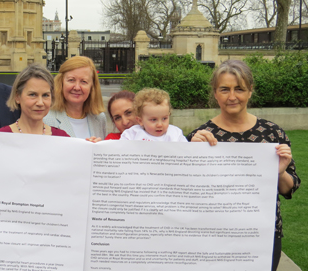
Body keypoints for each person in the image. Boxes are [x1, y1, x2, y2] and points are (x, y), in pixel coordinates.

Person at [187, 59, 300, 271]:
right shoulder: (200, 137)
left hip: (263, 234)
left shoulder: (273, 133)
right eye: (224, 89)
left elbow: (289, 188)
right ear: (215, 93)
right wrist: (191, 153)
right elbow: (184, 192)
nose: (232, 96)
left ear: (250, 91)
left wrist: (280, 172)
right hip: (212, 235)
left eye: (239, 89)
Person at [43, 56, 106, 141]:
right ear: (61, 83)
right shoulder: (46, 118)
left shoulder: (99, 118)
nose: (77, 87)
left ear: (92, 86)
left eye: (84, 81)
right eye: (71, 80)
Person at [0, 64, 69, 136]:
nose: (40, 103)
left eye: (45, 95)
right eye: (33, 95)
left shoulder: (62, 138)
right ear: (17, 96)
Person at [121, 87, 188, 142]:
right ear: (140, 121)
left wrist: (194, 144)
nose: (160, 124)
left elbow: (186, 151)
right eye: (153, 119)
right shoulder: (132, 134)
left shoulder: (175, 134)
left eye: (164, 118)